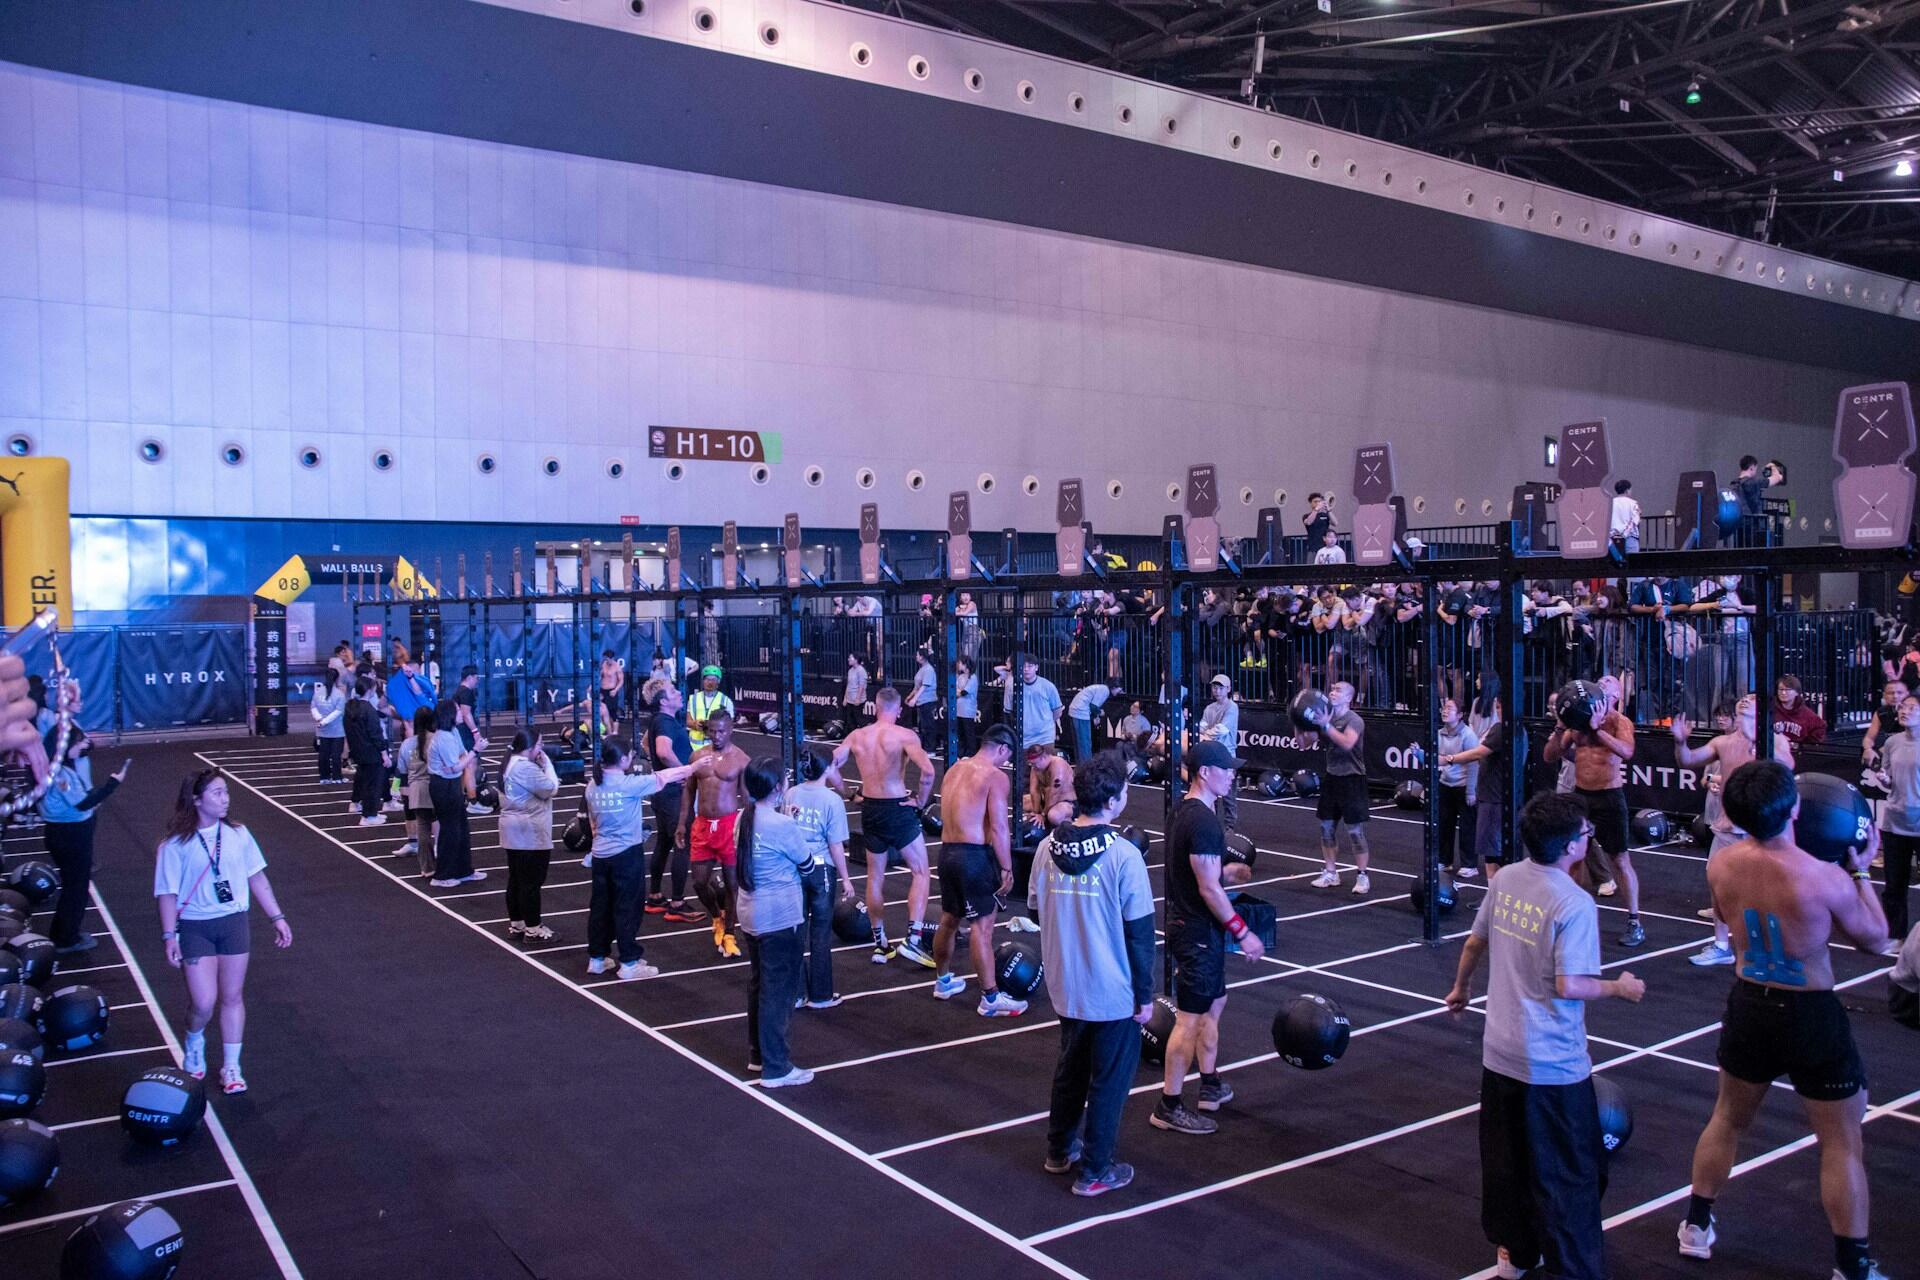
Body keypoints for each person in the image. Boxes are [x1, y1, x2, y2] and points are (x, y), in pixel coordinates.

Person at [1677, 761, 1892, 1280]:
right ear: (1795, 808)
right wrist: (1862, 870)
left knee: (1727, 1118)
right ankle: (1853, 1267)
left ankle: (1695, 1226)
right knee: (1841, 1142)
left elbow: (1727, 918)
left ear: (1734, 814)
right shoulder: (1824, 877)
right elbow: (1876, 938)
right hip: (1809, 1011)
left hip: (1750, 1003)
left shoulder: (1721, 866)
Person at [1444, 793, 1647, 1280]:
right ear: (1571, 846)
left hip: (1499, 1055)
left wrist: (1460, 988)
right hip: (1552, 1067)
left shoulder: (1506, 878)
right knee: (1571, 1177)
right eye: (1585, 834)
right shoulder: (1573, 903)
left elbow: (1474, 941)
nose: (1588, 839)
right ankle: (1574, 1268)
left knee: (1508, 1163)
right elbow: (1570, 985)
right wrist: (1619, 987)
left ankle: (1516, 1255)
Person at [1033, 749, 1155, 1197]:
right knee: (1108, 1082)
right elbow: (1140, 933)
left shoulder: (1047, 848)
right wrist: (1145, 995)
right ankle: (1096, 1170)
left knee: (1070, 1070)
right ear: (1113, 800)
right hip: (1112, 990)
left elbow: (1035, 908)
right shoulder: (1124, 856)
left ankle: (1059, 1150)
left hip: (1065, 984)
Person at [155, 769, 294, 1095]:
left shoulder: (238, 834)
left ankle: (232, 1066)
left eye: (226, 792)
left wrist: (277, 916)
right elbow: (166, 893)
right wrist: (169, 935)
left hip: (233, 922)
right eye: (217, 793)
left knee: (232, 996)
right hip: (195, 926)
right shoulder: (174, 845)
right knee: (203, 1002)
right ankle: (194, 1039)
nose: (225, 799)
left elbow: (256, 877)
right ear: (196, 799)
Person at [1153, 740, 1266, 1136]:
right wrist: (1243, 932)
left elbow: (1203, 874)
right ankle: (1168, 1105)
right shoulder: (1202, 821)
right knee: (1189, 1019)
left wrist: (1227, 873)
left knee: (1215, 1002)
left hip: (1197, 927)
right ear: (1205, 772)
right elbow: (1207, 889)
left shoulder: (1186, 811)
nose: (1233, 775)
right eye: (1226, 768)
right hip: (1196, 931)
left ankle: (1210, 1083)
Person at [1673, 696, 1795, 965]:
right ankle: (1721, 946)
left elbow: (1788, 765)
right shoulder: (1723, 742)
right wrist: (1680, 742)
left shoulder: (1774, 740)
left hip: (1759, 829)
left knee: (1766, 891)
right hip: (1727, 826)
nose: (1745, 702)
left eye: (1751, 701)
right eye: (1742, 701)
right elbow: (1688, 760)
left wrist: (1756, 738)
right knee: (1718, 885)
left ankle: (1771, 947)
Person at [832, 689, 939, 967]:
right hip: (897, 808)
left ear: (875, 707)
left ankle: (880, 944)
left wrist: (848, 793)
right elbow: (928, 771)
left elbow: (829, 764)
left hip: (871, 808)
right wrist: (920, 801)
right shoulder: (904, 735)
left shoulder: (858, 736)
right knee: (921, 871)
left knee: (875, 876)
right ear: (898, 710)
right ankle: (913, 940)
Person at [1544, 675, 1646, 946]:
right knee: (1574, 858)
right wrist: (1559, 726)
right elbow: (1549, 755)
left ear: (1616, 697)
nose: (1602, 686)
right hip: (1582, 796)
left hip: (1610, 797)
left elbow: (1627, 752)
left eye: (1609, 685)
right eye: (1600, 683)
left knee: (1620, 860)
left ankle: (1634, 921)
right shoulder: (1577, 723)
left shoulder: (1619, 722)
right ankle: (1572, 916)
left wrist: (1597, 730)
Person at [585, 740, 701, 980]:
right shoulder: (628, 784)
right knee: (627, 908)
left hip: (600, 856)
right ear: (624, 760)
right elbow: (663, 777)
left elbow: (593, 821)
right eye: (630, 755)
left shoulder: (592, 786)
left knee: (601, 908)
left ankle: (597, 958)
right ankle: (628, 962)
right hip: (625, 855)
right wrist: (693, 767)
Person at [931, 725, 1023, 1016]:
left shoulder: (954, 769)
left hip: (947, 853)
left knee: (949, 920)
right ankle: (991, 999)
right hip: (973, 857)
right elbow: (999, 827)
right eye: (1007, 758)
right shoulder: (994, 776)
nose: (1005, 764)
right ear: (1002, 749)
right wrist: (1007, 867)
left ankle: (943, 981)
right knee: (982, 929)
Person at [734, 759, 814, 1087]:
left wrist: (785, 819)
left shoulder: (743, 818)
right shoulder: (781, 826)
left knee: (759, 984)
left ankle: (758, 1055)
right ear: (778, 787)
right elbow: (807, 865)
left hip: (750, 913)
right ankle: (777, 1067)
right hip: (779, 915)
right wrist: (789, 824)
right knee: (777, 993)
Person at [39, 727, 127, 954]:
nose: (82, 745)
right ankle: (66, 938)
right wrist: (113, 783)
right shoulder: (62, 773)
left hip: (62, 833)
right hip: (71, 835)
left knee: (73, 887)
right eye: (78, 742)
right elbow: (82, 804)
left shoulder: (51, 767)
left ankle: (63, 933)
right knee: (76, 889)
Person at [787, 747, 854, 1010]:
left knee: (796, 930)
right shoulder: (832, 801)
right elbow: (835, 844)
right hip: (821, 869)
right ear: (827, 768)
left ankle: (795, 993)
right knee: (820, 932)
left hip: (795, 867)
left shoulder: (792, 793)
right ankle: (821, 995)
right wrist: (846, 878)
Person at [682, 709, 750, 956]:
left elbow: (747, 798)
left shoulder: (741, 759)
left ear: (730, 730)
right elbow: (689, 790)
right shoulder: (697, 756)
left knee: (732, 884)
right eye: (712, 731)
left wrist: (750, 829)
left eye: (721, 731)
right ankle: (716, 916)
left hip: (728, 826)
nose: (716, 735)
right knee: (699, 883)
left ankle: (730, 933)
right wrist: (681, 822)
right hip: (703, 825)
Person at [1302, 682, 1373, 894]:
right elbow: (1304, 744)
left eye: (1338, 690)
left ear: (1349, 698)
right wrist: (1299, 723)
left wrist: (1325, 726)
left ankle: (1362, 876)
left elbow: (1347, 743)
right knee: (1326, 828)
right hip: (1332, 778)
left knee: (1355, 832)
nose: (1332, 692)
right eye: (1332, 689)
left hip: (1352, 779)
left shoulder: (1354, 720)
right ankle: (1331, 873)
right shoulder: (1327, 717)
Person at [643, 681, 705, 923]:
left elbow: (646, 744)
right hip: (672, 796)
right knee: (682, 843)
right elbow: (662, 751)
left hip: (663, 793)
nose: (679, 693)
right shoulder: (665, 722)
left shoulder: (659, 721)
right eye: (673, 691)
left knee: (664, 842)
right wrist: (685, 772)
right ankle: (677, 904)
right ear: (663, 701)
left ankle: (655, 896)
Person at [500, 729, 560, 943]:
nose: (541, 748)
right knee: (531, 883)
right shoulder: (525, 767)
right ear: (530, 747)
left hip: (512, 829)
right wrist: (548, 765)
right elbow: (551, 788)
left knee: (516, 879)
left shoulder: (508, 762)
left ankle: (517, 924)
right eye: (539, 744)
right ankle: (533, 929)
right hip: (529, 831)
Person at [1871, 692, 1920, 940]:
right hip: (1894, 821)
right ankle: (1896, 936)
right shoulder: (1892, 742)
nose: (1904, 711)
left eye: (1912, 708)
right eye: (1902, 707)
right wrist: (1884, 779)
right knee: (1894, 886)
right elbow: (1889, 781)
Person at [1015, 739, 1077, 935]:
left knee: (1054, 815)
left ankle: (1069, 827)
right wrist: (1035, 812)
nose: (1033, 767)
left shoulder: (1057, 765)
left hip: (1067, 802)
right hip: (1048, 802)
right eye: (1031, 764)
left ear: (1043, 757)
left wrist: (1043, 814)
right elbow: (1034, 790)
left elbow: (1054, 793)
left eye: (1035, 763)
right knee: (1021, 802)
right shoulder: (1037, 767)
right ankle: (1045, 817)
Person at [425, 700, 481, 888]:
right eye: (457, 711)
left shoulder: (453, 732)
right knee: (449, 830)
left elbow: (461, 757)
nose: (460, 713)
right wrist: (475, 751)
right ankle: (442, 875)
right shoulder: (442, 737)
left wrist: (467, 756)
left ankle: (463, 870)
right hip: (443, 785)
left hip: (452, 783)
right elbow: (455, 766)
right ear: (449, 714)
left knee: (461, 828)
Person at [1432, 698, 1482, 879]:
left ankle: (1470, 864)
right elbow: (1437, 759)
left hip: (1464, 785)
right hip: (1446, 784)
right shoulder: (1439, 733)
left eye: (1450, 708)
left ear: (1460, 715)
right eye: (1444, 708)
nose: (1445, 711)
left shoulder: (1468, 736)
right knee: (1444, 824)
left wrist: (1471, 791)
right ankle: (1444, 860)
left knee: (1467, 827)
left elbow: (1474, 764)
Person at [392, 706, 439, 879]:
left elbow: (401, 770)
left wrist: (395, 789)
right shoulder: (437, 740)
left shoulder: (407, 744)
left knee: (423, 829)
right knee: (442, 824)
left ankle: (426, 868)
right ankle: (445, 860)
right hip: (437, 787)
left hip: (416, 791)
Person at [344, 677, 392, 826]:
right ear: (370, 690)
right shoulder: (368, 710)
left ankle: (368, 812)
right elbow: (375, 734)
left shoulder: (350, 707)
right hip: (371, 752)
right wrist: (384, 754)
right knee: (373, 784)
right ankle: (369, 815)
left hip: (358, 751)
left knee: (365, 781)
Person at [1195, 674, 1241, 831]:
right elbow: (1201, 725)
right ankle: (1212, 824)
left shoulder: (1232, 707)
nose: (1217, 690)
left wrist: (1206, 734)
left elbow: (1222, 729)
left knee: (1228, 796)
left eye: (1221, 687)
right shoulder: (1209, 708)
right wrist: (1206, 732)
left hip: (1227, 756)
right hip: (1211, 755)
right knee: (1210, 793)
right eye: (1215, 687)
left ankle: (1230, 828)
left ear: (1228, 689)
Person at [1003, 654, 1064, 751]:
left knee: (1046, 760)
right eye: (1023, 666)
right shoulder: (1011, 686)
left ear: (1036, 668)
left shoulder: (1048, 686)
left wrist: (1045, 724)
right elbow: (1009, 711)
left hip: (1045, 737)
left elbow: (1058, 711)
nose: (1026, 669)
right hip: (1023, 737)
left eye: (1030, 666)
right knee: (1023, 761)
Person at [384, 643, 435, 738]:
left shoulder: (424, 698)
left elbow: (419, 694)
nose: (417, 676)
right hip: (413, 738)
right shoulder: (403, 705)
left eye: (418, 673)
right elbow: (382, 707)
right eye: (415, 673)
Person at [309, 668, 346, 784]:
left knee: (323, 754)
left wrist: (320, 719)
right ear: (337, 679)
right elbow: (338, 712)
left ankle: (324, 777)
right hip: (337, 730)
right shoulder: (339, 694)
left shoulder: (318, 692)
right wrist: (324, 721)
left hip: (322, 730)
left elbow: (313, 707)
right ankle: (337, 777)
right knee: (336, 754)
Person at [1772, 674, 1827, 747]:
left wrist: (1803, 745)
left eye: (1788, 690)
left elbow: (1820, 727)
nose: (1783, 693)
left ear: (1797, 692)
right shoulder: (1770, 708)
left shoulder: (1805, 713)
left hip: (1796, 752)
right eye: (1781, 689)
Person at [1066, 681, 1114, 765]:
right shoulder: (1105, 690)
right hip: (1080, 713)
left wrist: (1095, 716)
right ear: (1114, 687)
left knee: (1079, 744)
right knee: (1085, 744)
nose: (1120, 692)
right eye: (1120, 689)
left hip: (1074, 711)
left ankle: (1081, 767)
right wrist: (1100, 712)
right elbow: (1093, 706)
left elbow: (1091, 705)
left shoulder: (1100, 687)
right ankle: (1086, 767)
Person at [688, 665, 733, 752]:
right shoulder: (693, 699)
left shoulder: (726, 701)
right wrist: (695, 724)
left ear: (718, 682)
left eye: (713, 680)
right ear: (703, 681)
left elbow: (729, 724)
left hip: (715, 747)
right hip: (694, 747)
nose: (710, 683)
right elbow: (687, 720)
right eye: (707, 679)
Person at [908, 648, 939, 754]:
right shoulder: (922, 669)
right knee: (922, 726)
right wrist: (910, 696)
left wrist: (914, 699)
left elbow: (924, 686)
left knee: (929, 725)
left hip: (928, 701)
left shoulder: (928, 670)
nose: (916, 656)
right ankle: (925, 747)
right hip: (921, 702)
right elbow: (917, 686)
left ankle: (931, 749)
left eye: (917, 655)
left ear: (922, 657)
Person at [953, 655, 980, 758]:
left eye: (960, 663)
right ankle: (961, 752)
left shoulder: (972, 678)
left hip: (968, 709)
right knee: (960, 733)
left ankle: (971, 753)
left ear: (965, 664)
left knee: (969, 732)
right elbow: (954, 690)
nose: (958, 665)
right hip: (959, 709)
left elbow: (964, 692)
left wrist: (959, 691)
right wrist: (958, 691)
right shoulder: (960, 677)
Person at [598, 649, 625, 740]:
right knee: (602, 710)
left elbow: (621, 680)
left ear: (612, 658)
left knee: (612, 712)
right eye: (605, 658)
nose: (606, 660)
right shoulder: (603, 664)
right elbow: (600, 676)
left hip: (612, 691)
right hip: (603, 691)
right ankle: (606, 730)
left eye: (608, 659)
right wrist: (593, 685)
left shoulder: (617, 667)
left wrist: (615, 690)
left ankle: (615, 732)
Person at [1610, 479, 1641, 554]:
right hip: (1630, 537)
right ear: (1627, 490)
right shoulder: (1633, 504)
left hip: (1612, 538)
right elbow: (1636, 521)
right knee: (1632, 560)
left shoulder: (1610, 503)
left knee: (1615, 560)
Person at [843, 653, 869, 733]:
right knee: (850, 719)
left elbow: (862, 686)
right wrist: (845, 698)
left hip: (857, 700)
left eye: (850, 658)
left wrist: (858, 698)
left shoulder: (861, 671)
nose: (848, 659)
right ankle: (853, 735)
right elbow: (848, 685)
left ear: (856, 660)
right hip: (850, 699)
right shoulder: (850, 671)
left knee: (859, 719)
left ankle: (864, 735)